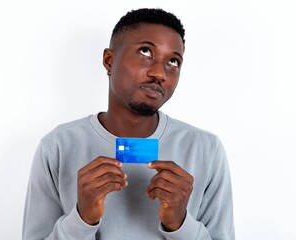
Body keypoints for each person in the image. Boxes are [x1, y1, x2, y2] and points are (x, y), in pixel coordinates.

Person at [23, 8, 235, 240]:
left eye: (173, 61)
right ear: (109, 60)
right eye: (145, 51)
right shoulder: (58, 146)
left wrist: (180, 224)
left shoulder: (206, 149)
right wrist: (82, 220)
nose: (159, 73)